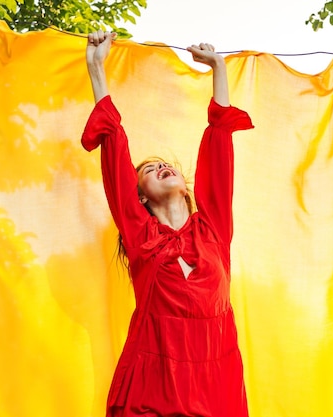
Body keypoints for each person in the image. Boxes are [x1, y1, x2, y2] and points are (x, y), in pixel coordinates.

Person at [81, 30, 254, 417]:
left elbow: (220, 147)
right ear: (139, 195)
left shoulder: (213, 231)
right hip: (151, 393)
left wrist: (218, 69)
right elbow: (114, 148)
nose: (160, 166)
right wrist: (96, 68)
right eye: (147, 170)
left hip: (216, 394)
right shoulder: (141, 237)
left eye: (166, 165)